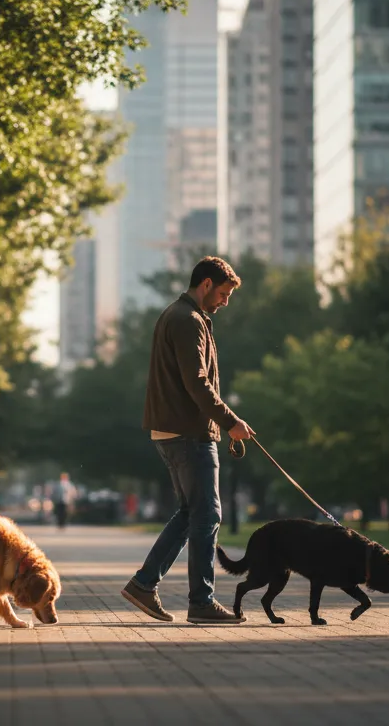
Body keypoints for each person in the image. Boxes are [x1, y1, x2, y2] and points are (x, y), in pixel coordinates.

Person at [120, 256, 255, 625]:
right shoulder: (187, 320)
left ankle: (145, 584)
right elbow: (197, 381)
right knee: (208, 514)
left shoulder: (181, 316)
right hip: (188, 432)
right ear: (206, 284)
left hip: (173, 429)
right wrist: (231, 422)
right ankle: (201, 602)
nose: (226, 301)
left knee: (190, 512)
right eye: (224, 293)